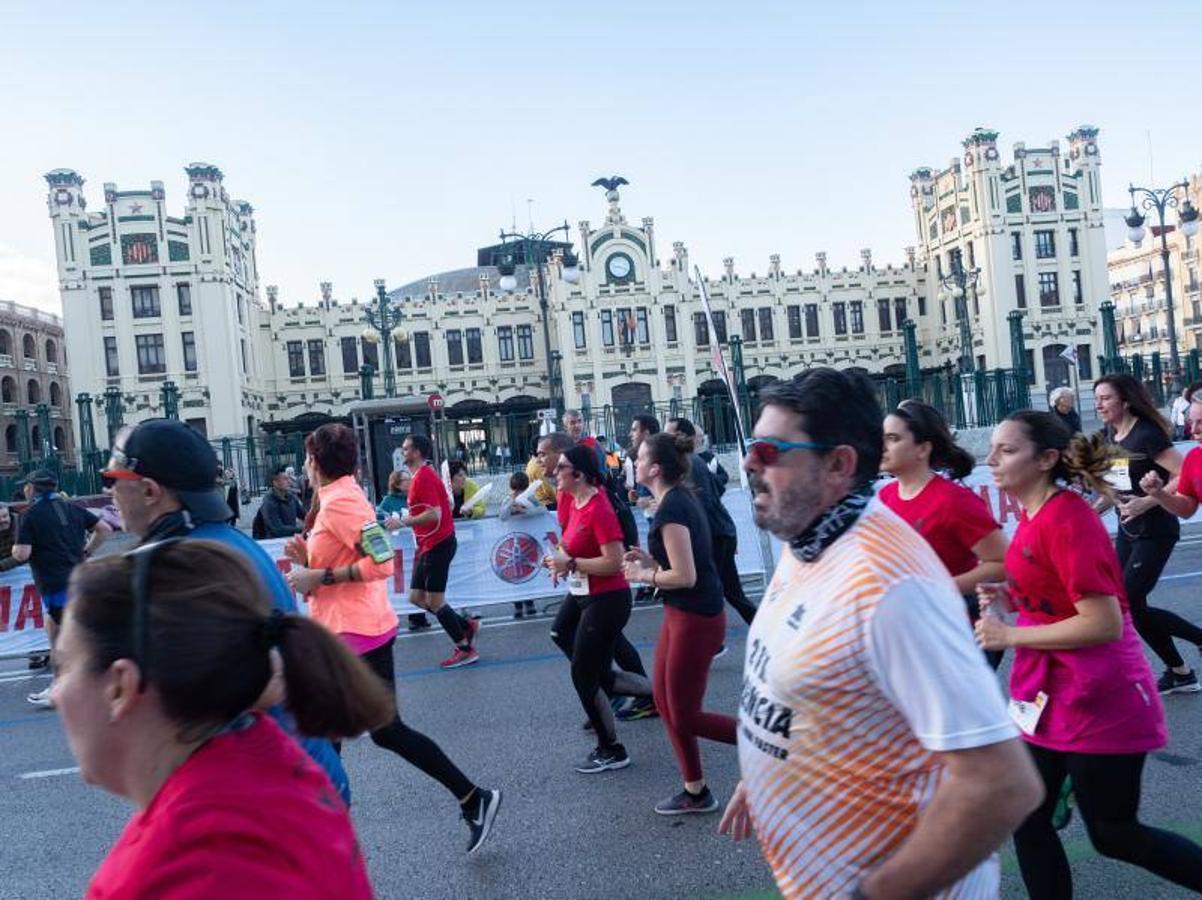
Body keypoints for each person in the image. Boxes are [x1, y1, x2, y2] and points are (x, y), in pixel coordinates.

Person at [718, 369, 1042, 900]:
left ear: (839, 464)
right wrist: (764, 769)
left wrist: (878, 894)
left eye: (771, 450)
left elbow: (1002, 784)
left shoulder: (890, 586)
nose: (750, 462)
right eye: (752, 445)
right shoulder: (809, 535)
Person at [59, 540, 385, 898]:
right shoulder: (258, 762)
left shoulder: (188, 862)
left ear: (120, 687)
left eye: (64, 666)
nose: (57, 693)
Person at [975, 411, 1202, 897]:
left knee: (1115, 834)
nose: (990, 460)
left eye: (1006, 450)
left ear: (1047, 459)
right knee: (1027, 818)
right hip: (1049, 695)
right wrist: (1009, 597)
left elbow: (1103, 622)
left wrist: (1007, 637)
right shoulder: (1036, 513)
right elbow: (1051, 594)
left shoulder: (1067, 518)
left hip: (1100, 698)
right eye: (992, 449)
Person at [100, 418, 351, 804]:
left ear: (150, 491)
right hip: (303, 775)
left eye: (115, 479)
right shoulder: (225, 542)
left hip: (274, 796)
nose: (110, 491)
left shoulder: (180, 567)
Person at [283, 424, 501, 852]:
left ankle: (325, 840)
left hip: (353, 635)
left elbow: (381, 561)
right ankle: (473, 799)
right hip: (352, 629)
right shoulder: (337, 497)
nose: (305, 467)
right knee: (373, 731)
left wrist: (318, 573)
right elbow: (343, 562)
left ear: (317, 463)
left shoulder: (343, 502)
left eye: (308, 459)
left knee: (329, 733)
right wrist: (307, 560)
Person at [622, 432, 736, 815]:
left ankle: (775, 745)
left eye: (639, 458)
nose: (634, 463)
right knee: (665, 703)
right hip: (681, 612)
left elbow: (686, 575)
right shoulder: (674, 500)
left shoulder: (672, 508)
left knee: (686, 713)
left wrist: (643, 577)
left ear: (654, 468)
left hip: (696, 617)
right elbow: (683, 565)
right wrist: (652, 565)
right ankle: (695, 790)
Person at [546, 444, 652, 773]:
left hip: (608, 598)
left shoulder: (598, 507)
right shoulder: (572, 500)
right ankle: (661, 693)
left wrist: (572, 562)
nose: (553, 472)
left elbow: (615, 562)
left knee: (584, 674)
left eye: (559, 467)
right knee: (561, 633)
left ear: (578, 473)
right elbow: (568, 541)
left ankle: (612, 749)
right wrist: (558, 561)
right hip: (584, 592)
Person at [879, 400, 1008, 668]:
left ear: (923, 448)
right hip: (908, 634)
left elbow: (1003, 563)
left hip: (956, 637)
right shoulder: (884, 497)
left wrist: (940, 588)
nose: (883, 446)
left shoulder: (952, 501)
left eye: (892, 439)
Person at [1095, 373, 1202, 693]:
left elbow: (1182, 475)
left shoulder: (1147, 435)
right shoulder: (1110, 436)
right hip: (1129, 531)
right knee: (1130, 604)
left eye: (1106, 398)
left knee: (1126, 601)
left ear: (1125, 401)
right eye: (1097, 398)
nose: (1099, 404)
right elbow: (1113, 487)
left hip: (1156, 530)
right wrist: (1090, 512)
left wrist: (1147, 502)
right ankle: (1180, 672)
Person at [13, 469, 112, 709]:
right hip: (78, 578)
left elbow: (22, 553)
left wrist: (17, 552)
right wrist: (86, 551)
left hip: (54, 583)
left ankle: (69, 690)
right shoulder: (72, 507)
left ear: (32, 488)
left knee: (70, 639)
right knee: (61, 632)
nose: (25, 490)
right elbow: (105, 529)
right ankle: (63, 685)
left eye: (27, 486)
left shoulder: (31, 515)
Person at [393, 434, 479, 667]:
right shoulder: (419, 477)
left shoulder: (424, 477)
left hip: (438, 544)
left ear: (418, 452)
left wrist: (403, 522)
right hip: (427, 544)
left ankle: (465, 648)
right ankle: (464, 625)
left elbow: (435, 514)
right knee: (416, 598)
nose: (402, 452)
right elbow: (443, 507)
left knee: (435, 601)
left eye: (406, 448)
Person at [666, 417, 757, 631]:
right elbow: (717, 488)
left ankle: (709, 640)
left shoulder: (688, 463)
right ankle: (763, 630)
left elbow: (705, 500)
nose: (665, 438)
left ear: (681, 437)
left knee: (705, 590)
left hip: (714, 535)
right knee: (731, 592)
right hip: (720, 531)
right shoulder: (692, 461)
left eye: (669, 434)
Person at [500, 471, 540, 619]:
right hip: (513, 542)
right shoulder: (508, 499)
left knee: (528, 571)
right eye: (515, 490)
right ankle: (517, 604)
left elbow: (541, 510)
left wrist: (526, 510)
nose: (518, 493)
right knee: (515, 573)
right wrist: (511, 504)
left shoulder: (531, 498)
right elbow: (502, 516)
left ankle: (529, 602)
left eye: (521, 490)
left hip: (528, 542)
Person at [260, 465, 307, 538]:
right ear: (275, 482)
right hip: (274, 543)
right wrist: (303, 529)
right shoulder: (269, 502)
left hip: (291, 540)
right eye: (285, 479)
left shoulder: (291, 497)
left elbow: (304, 515)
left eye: (288, 478)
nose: (289, 481)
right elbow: (278, 530)